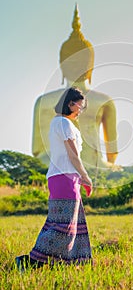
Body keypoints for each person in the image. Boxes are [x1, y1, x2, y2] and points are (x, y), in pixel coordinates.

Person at [32, 5, 118, 169]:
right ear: (90, 64)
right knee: (114, 170)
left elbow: (37, 151)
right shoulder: (103, 101)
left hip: (50, 168)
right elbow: (112, 153)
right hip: (93, 167)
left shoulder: (44, 101)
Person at [16, 88, 93, 271]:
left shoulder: (63, 123)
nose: (80, 110)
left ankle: (57, 264)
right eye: (79, 106)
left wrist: (79, 177)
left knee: (64, 223)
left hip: (66, 177)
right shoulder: (62, 123)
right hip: (64, 178)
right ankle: (29, 262)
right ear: (70, 104)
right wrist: (86, 176)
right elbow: (73, 155)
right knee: (63, 226)